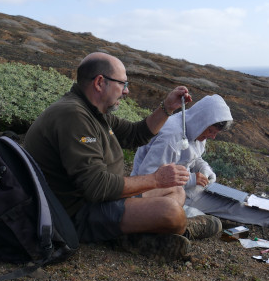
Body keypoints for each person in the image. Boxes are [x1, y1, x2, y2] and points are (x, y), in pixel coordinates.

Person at [24, 52, 221, 262]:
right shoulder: (74, 116)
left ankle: (132, 235)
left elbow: (136, 134)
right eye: (123, 84)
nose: (126, 91)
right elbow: (96, 186)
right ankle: (180, 230)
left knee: (176, 190)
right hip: (75, 213)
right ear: (100, 83)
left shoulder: (93, 112)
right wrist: (155, 179)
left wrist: (167, 107)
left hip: (101, 199)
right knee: (172, 212)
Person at [131, 94, 269, 231]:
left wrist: (205, 170)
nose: (212, 136)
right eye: (211, 131)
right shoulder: (171, 137)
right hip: (157, 196)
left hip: (179, 186)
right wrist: (192, 180)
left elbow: (193, 158)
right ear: (203, 122)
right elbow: (149, 178)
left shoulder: (195, 127)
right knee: (228, 205)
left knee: (233, 196)